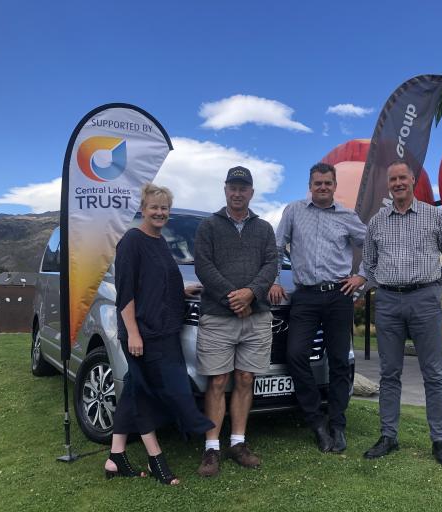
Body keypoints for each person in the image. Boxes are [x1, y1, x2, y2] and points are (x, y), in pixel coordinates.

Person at [105, 183, 215, 485]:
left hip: (165, 330)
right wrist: (134, 333)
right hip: (145, 333)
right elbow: (125, 293)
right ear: (143, 209)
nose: (160, 212)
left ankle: (115, 458)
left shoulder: (160, 241)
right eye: (154, 207)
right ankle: (156, 458)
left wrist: (182, 289)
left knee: (134, 388)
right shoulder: (132, 241)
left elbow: (154, 284)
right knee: (149, 393)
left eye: (164, 207)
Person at [362, 160, 442, 465]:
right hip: (389, 302)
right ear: (388, 184)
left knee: (433, 373)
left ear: (413, 180)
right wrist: (385, 283)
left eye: (402, 178)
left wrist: (431, 287)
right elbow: (369, 263)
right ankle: (388, 436)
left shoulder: (434, 216)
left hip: (424, 301)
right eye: (392, 179)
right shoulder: (377, 222)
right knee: (389, 373)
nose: (397, 183)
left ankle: (440, 441)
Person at [269, 162, 366, 453]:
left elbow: (373, 246)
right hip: (305, 296)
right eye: (317, 183)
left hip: (339, 296)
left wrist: (363, 277)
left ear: (334, 186)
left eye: (327, 183)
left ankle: (337, 424)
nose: (322, 187)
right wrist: (274, 281)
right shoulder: (294, 211)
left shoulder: (348, 216)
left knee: (338, 361)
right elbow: (276, 247)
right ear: (310, 186)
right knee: (295, 355)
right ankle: (316, 421)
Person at [194, 166, 277, 477]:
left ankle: (238, 443)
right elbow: (203, 265)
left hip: (256, 317)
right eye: (233, 187)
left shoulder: (264, 228)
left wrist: (251, 294)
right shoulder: (208, 226)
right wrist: (234, 296)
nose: (238, 193)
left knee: (245, 380)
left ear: (252, 192)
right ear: (225, 190)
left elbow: (272, 264)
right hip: (218, 316)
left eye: (244, 188)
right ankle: (211, 448)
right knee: (216, 381)